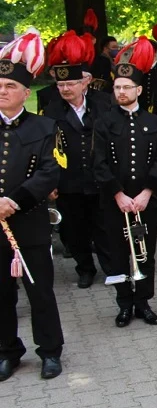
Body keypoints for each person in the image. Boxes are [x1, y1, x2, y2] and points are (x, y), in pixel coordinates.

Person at [0, 28, 64, 382]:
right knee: (0, 295)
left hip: (29, 223)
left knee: (40, 291)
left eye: (10, 87)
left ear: (25, 92)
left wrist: (12, 201)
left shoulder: (44, 125)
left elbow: (49, 172)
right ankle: (8, 351)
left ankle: (50, 352)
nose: (3, 91)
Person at [93, 38, 157, 329]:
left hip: (144, 202)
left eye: (126, 87)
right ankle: (124, 304)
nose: (121, 92)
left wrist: (148, 192)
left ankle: (143, 302)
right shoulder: (103, 122)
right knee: (118, 253)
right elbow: (98, 163)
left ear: (138, 90)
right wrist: (118, 195)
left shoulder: (154, 122)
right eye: (117, 87)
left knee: (146, 252)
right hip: (116, 202)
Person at [44, 31, 113, 289]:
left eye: (70, 84)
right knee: (74, 231)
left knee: (103, 227)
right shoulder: (51, 109)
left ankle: (111, 268)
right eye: (61, 85)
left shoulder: (103, 103)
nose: (64, 89)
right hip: (69, 181)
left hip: (99, 178)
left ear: (84, 83)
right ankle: (85, 269)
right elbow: (47, 147)